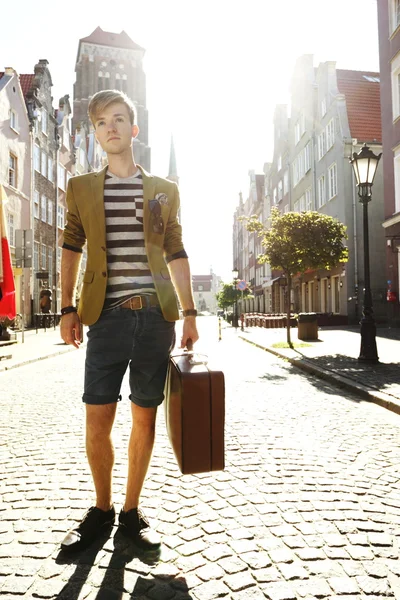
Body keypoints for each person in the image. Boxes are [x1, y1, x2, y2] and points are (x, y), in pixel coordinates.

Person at [60, 89, 198, 553]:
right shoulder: (80, 188)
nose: (111, 128)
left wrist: (190, 312)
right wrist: (66, 307)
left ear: (134, 128)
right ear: (96, 133)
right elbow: (71, 247)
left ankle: (131, 511)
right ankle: (101, 509)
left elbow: (175, 250)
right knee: (97, 419)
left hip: (156, 318)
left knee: (145, 418)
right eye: (101, 122)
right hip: (106, 318)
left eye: (119, 119)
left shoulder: (163, 190)